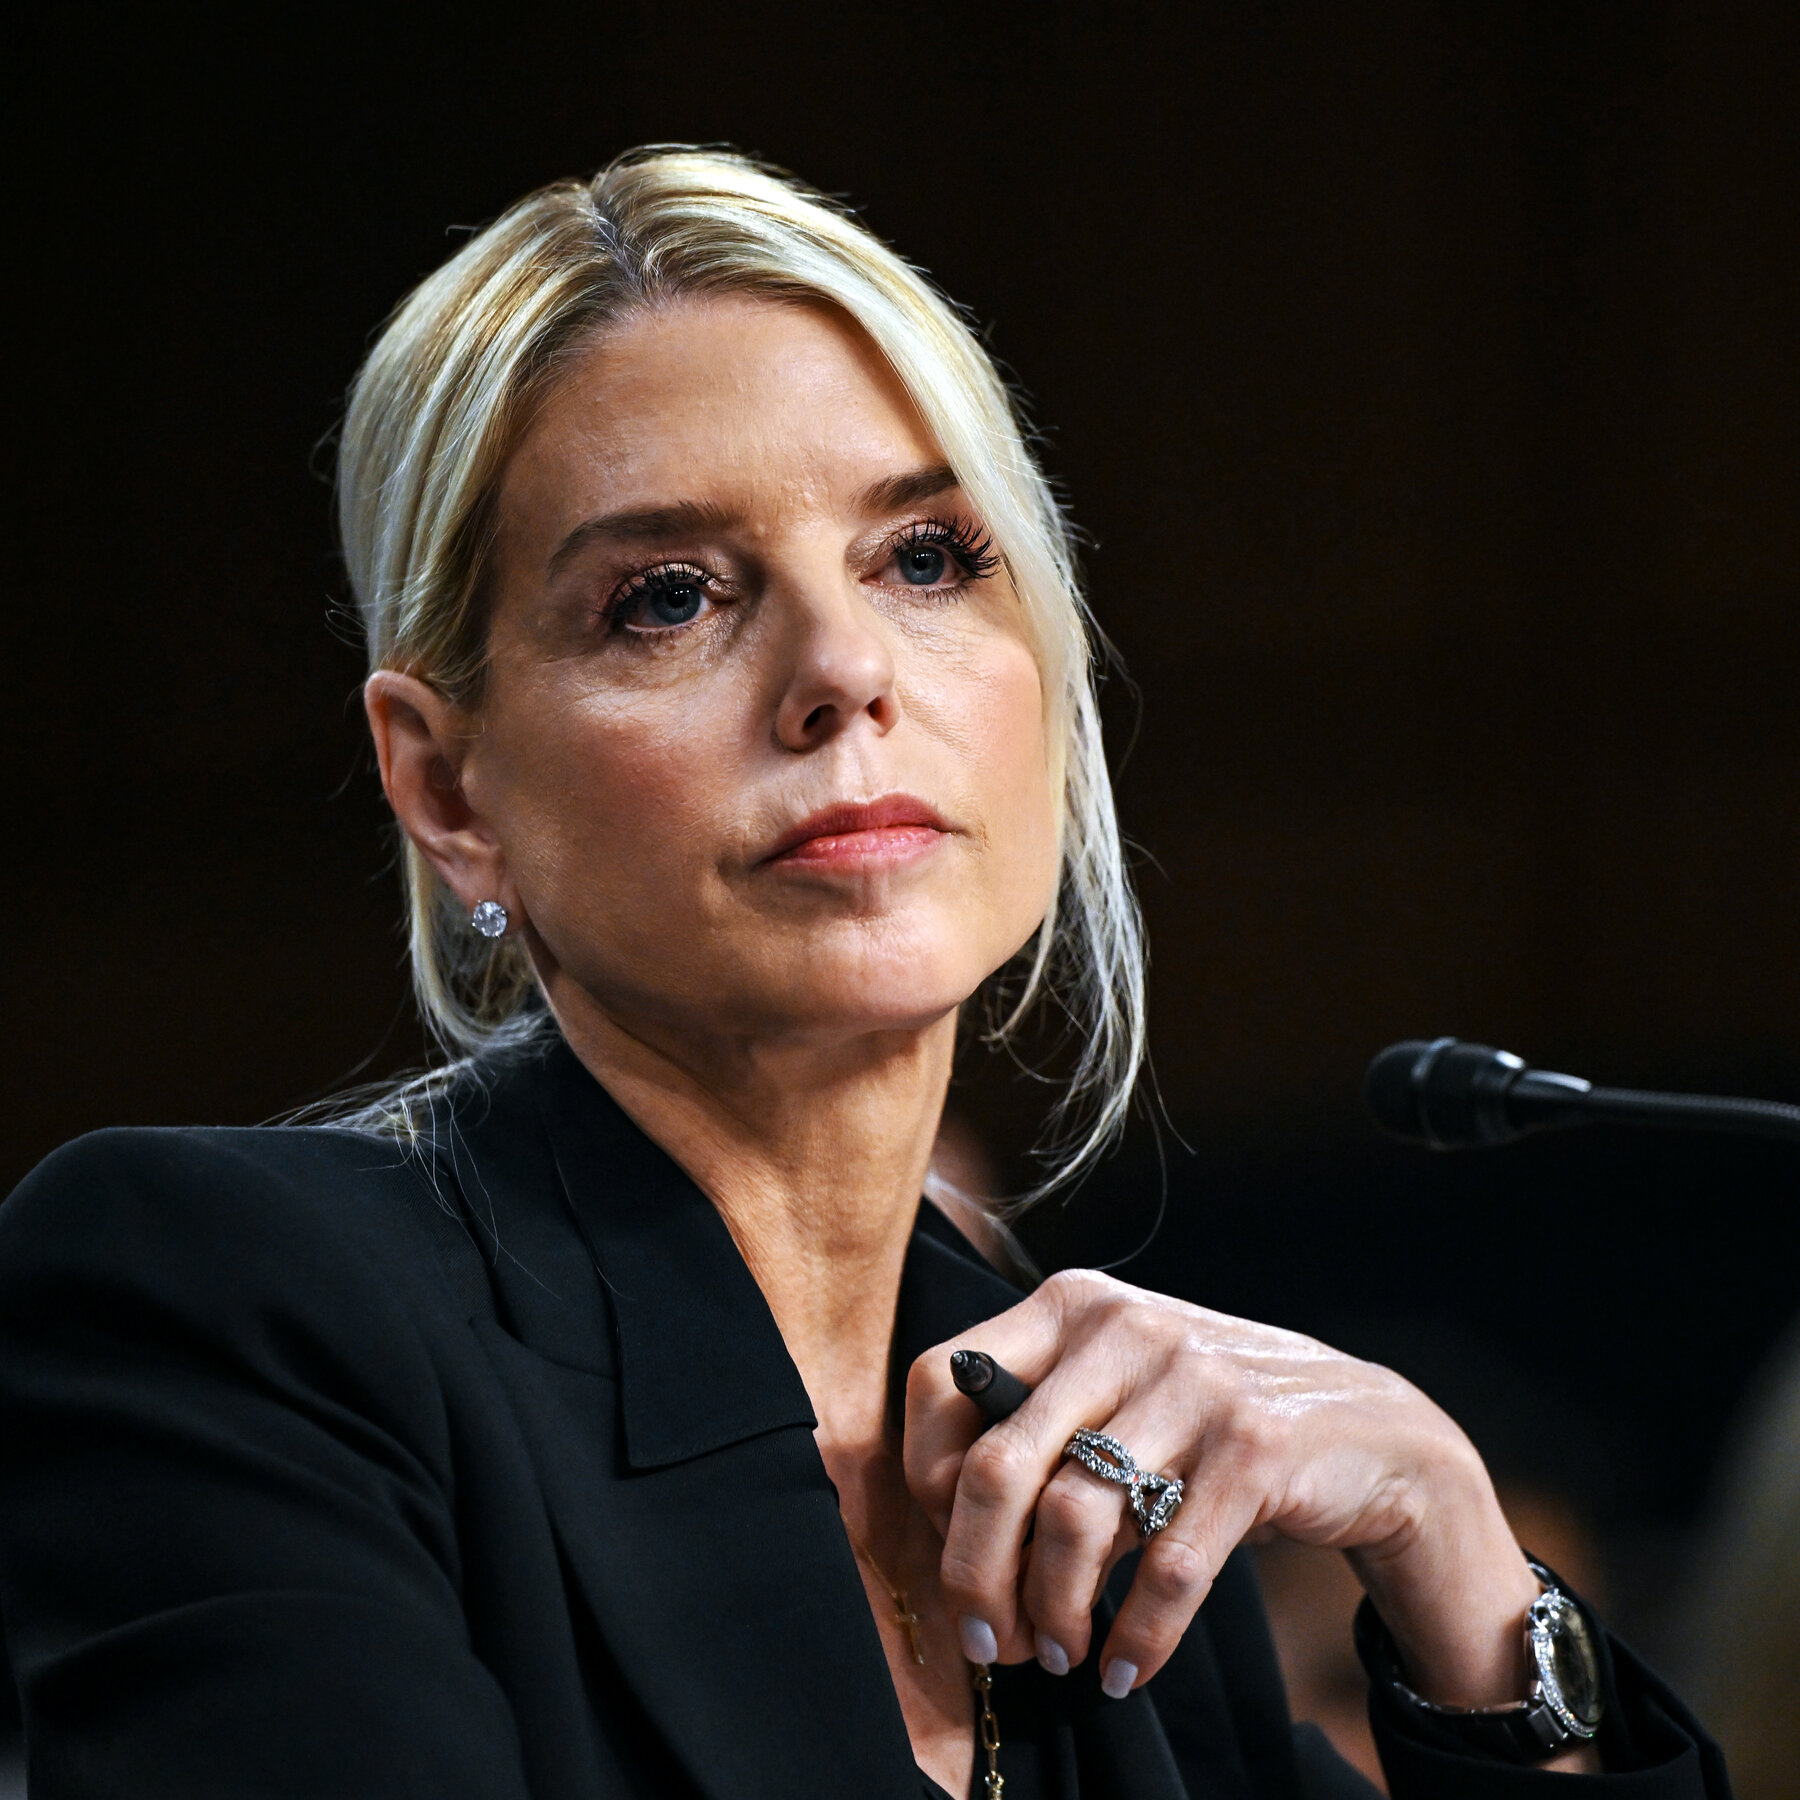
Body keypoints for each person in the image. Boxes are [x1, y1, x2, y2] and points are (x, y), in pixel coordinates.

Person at [0, 148, 1729, 1799]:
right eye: (669, 598)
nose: (844, 670)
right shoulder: (239, 1317)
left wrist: (1450, 1543)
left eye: (925, 558)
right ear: (450, 791)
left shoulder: (1106, 1458)